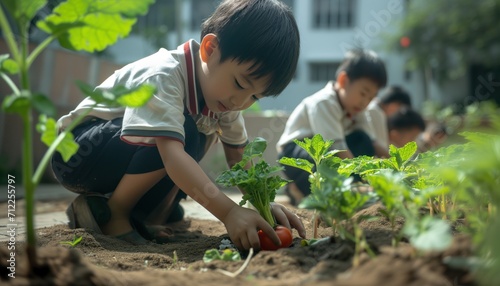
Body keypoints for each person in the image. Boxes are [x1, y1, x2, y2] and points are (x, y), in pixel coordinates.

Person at [51, 0, 305, 249]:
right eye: (240, 84)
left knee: (198, 135)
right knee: (180, 132)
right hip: (77, 154)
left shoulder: (225, 98)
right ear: (210, 49)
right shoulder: (164, 75)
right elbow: (172, 157)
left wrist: (262, 203)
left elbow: (239, 157)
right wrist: (229, 213)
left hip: (118, 154)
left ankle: (146, 217)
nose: (241, 101)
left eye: (255, 97)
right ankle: (113, 215)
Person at [276, 49, 388, 205]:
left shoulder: (357, 109)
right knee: (327, 162)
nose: (365, 102)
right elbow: (339, 151)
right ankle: (303, 192)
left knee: (363, 141)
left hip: (329, 151)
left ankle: (342, 194)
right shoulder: (324, 103)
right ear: (343, 81)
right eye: (363, 93)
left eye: (371, 97)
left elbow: (373, 143)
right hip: (295, 153)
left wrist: (397, 168)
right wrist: (367, 182)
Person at [367, 85, 413, 150]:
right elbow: (382, 146)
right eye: (399, 109)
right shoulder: (375, 111)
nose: (398, 114)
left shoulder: (376, 108)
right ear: (394, 103)